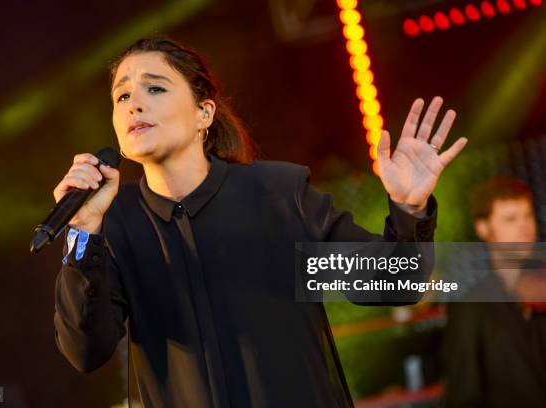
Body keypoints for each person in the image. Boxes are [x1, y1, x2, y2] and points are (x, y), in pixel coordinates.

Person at [52, 37, 466, 407]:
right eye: (121, 96)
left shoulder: (277, 194)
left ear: (204, 113)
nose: (134, 104)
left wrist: (409, 208)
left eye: (154, 87)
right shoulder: (116, 221)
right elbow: (85, 351)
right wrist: (83, 234)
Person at [442, 176, 546, 408]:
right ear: (483, 228)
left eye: (528, 216)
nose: (525, 227)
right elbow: (464, 395)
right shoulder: (470, 308)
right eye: (510, 219)